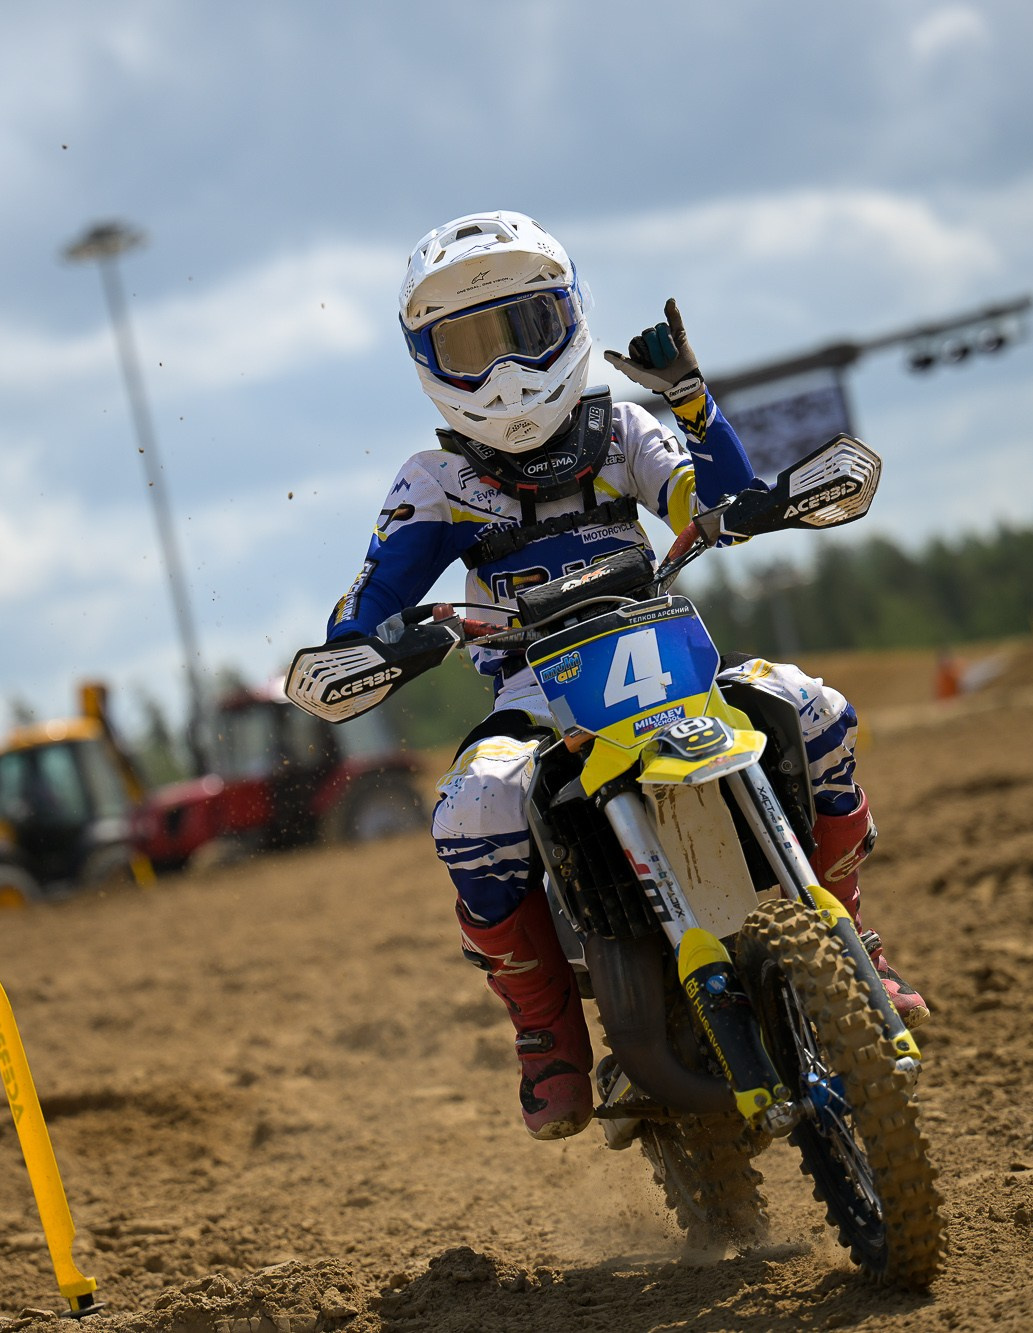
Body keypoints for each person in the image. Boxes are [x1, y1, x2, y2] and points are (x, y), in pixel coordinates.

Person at [322, 210, 926, 1140]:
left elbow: (712, 502)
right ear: (428, 360)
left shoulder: (624, 432)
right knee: (472, 811)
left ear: (570, 319)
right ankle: (548, 1035)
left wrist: (694, 402)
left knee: (817, 710)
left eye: (525, 331)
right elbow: (363, 608)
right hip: (535, 697)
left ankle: (856, 950)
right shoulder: (432, 484)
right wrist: (378, 645)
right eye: (471, 347)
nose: (508, 372)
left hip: (675, 665)